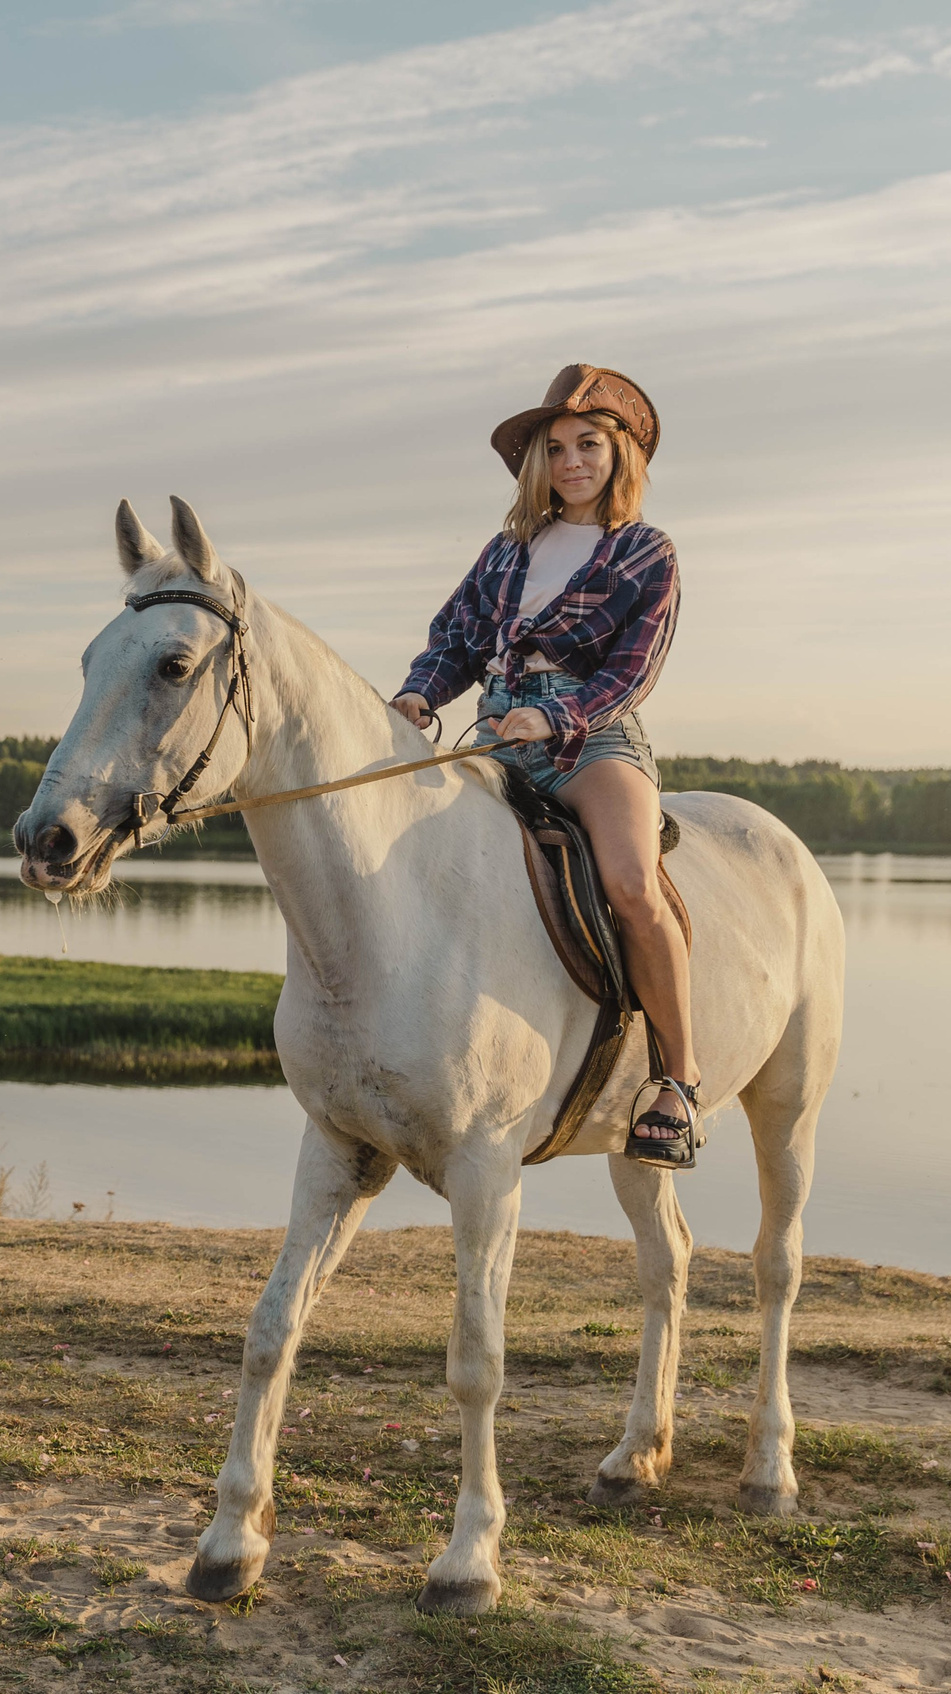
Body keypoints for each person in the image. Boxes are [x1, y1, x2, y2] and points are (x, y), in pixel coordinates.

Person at [391, 364, 702, 1168]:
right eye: (556, 447)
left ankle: (678, 1081)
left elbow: (632, 671)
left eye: (589, 445)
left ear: (620, 455)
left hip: (592, 742)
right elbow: (454, 639)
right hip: (497, 735)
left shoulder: (645, 554)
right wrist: (422, 697)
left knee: (632, 885)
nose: (571, 462)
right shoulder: (507, 551)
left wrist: (555, 713)